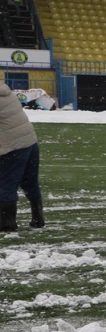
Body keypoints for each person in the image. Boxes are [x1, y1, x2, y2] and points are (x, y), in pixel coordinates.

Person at [0, 90, 45, 231]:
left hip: (13, 146)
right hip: (29, 142)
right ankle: (38, 218)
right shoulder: (5, 93)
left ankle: (7, 224)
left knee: (5, 184)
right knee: (29, 182)